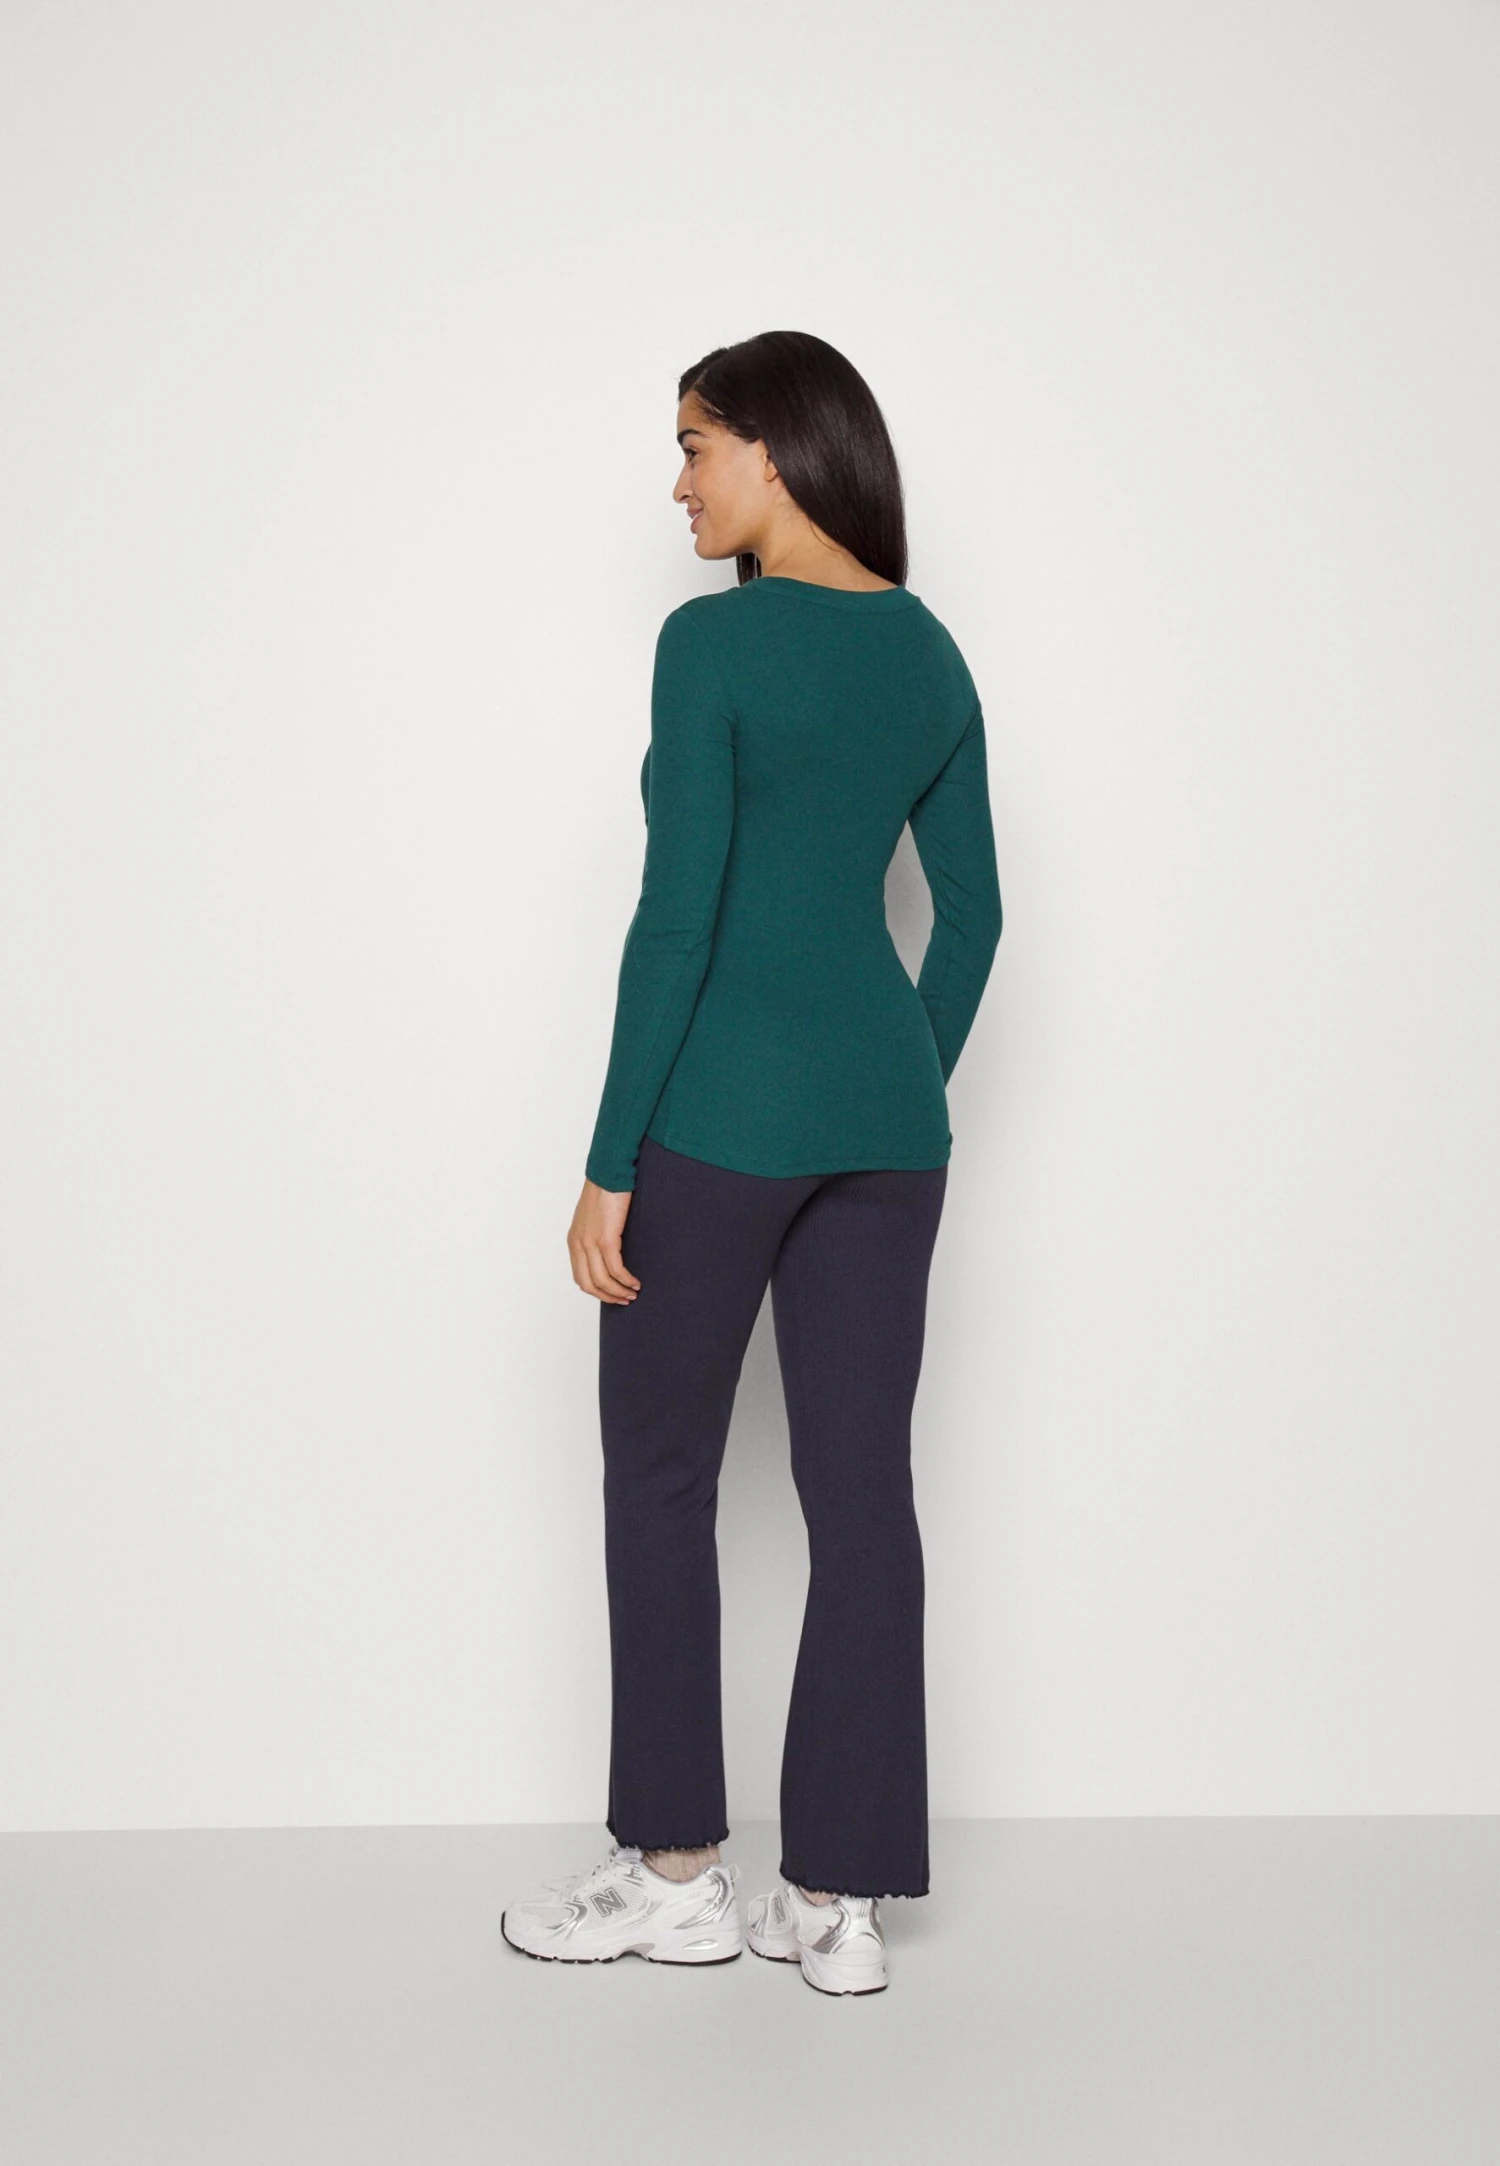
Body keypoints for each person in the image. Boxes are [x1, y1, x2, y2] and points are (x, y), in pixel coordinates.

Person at [501, 330, 1002, 1996]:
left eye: (695, 445)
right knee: (863, 1499)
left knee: (661, 1477)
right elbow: (976, 918)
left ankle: (677, 1874)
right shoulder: (930, 653)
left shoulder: (710, 644)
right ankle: (841, 1904)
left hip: (713, 1123)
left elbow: (679, 919)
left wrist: (607, 1160)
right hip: (889, 1141)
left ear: (775, 450)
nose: (680, 483)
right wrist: (893, 1079)